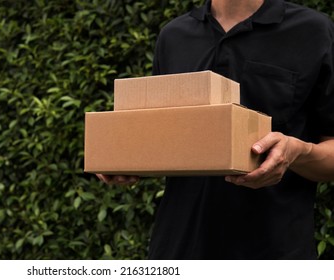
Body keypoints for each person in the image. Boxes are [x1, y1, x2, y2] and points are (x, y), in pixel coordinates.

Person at [97, 0, 334, 259]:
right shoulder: (174, 36)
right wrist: (124, 158)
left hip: (274, 254)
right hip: (179, 250)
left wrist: (297, 151)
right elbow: (167, 139)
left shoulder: (313, 31)